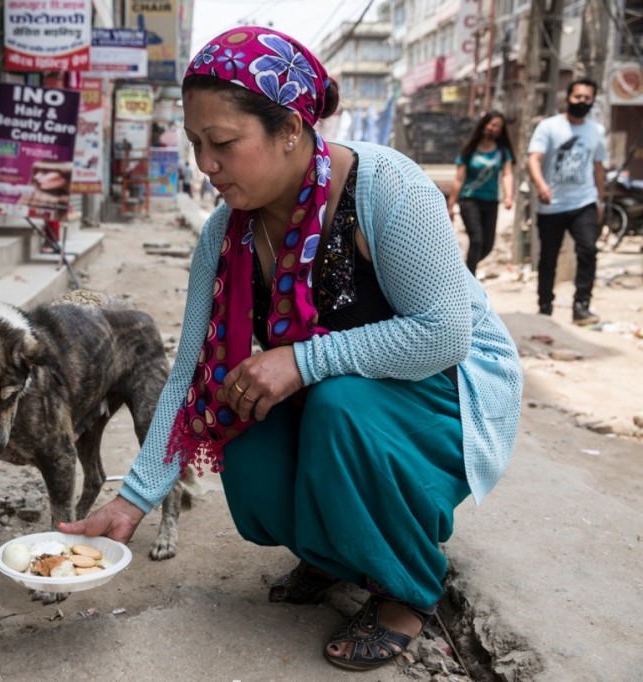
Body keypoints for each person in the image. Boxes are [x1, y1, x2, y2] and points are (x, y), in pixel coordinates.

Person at [58, 26, 523, 672]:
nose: (205, 165)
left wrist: (302, 360)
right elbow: (187, 378)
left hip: (448, 390)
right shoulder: (227, 232)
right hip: (349, 395)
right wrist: (131, 499)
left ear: (290, 131)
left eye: (222, 143)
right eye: (196, 144)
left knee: (338, 405)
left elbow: (444, 335)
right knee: (238, 418)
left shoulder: (390, 191)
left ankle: (408, 592)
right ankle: (340, 552)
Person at [526, 78, 607, 325]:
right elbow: (534, 159)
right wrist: (541, 185)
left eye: (587, 98)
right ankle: (545, 306)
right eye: (578, 97)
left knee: (589, 250)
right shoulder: (549, 127)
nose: (582, 102)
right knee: (548, 256)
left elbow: (598, 167)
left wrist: (600, 200)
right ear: (568, 98)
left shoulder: (597, 131)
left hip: (584, 202)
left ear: (592, 100)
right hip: (552, 204)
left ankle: (581, 306)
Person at [447, 111, 515, 275]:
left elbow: (507, 174)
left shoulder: (502, 152)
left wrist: (508, 196)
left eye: (498, 126)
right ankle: (469, 280)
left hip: (490, 201)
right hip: (469, 199)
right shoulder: (469, 150)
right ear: (484, 125)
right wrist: (451, 204)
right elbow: (459, 178)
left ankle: (462, 271)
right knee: (476, 239)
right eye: (492, 124)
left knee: (488, 245)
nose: (493, 129)